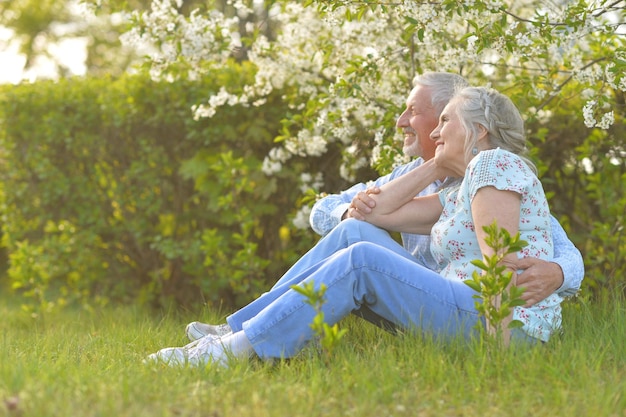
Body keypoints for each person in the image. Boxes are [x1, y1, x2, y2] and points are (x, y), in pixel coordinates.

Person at [147, 86, 575, 367]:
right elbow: (369, 217)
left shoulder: (495, 165)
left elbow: (500, 264)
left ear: (478, 131)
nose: (438, 130)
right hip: (466, 310)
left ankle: (230, 354)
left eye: (446, 120)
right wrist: (435, 165)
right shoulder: (460, 187)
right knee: (356, 236)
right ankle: (246, 330)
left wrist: (497, 359)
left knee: (363, 260)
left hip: (500, 328)